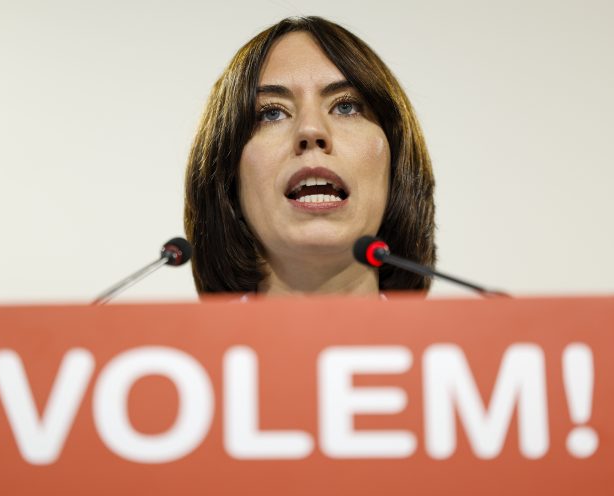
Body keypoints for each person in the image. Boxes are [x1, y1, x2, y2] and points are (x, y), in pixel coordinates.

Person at [184, 16, 435, 295]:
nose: (311, 130)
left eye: (346, 107)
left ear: (395, 161)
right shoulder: (155, 329)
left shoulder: (469, 326)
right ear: (228, 176)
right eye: (272, 113)